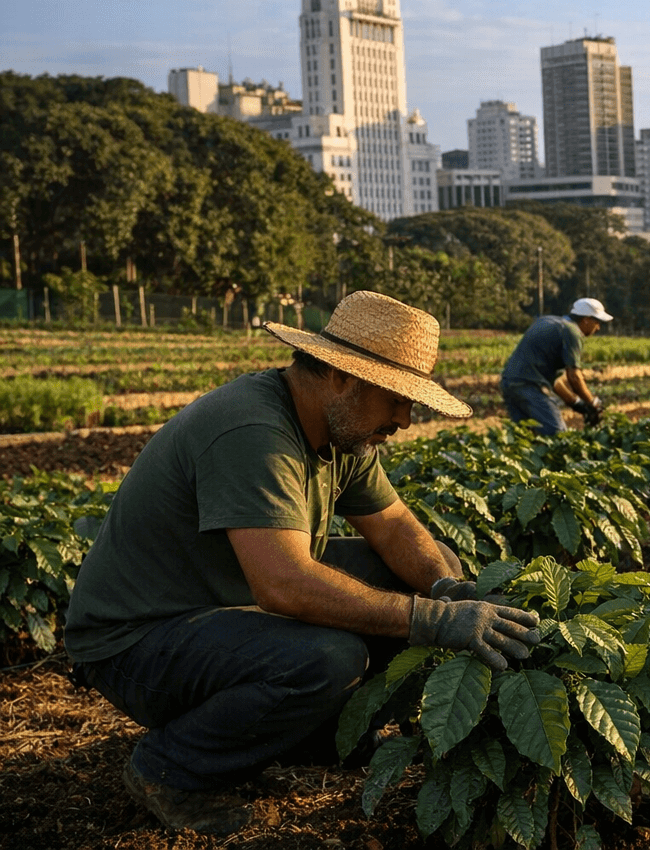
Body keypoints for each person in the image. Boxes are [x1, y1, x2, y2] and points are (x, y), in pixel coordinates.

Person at [63, 291, 541, 836]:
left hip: (218, 605)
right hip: (137, 640)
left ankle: (323, 733)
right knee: (327, 659)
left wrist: (450, 590)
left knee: (418, 572)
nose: (406, 419)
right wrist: (432, 620)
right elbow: (283, 585)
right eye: (396, 399)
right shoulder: (254, 431)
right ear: (341, 378)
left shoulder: (343, 431)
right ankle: (170, 770)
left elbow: (392, 526)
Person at [500, 296, 613, 434]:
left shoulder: (549, 321)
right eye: (597, 322)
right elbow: (574, 377)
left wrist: (577, 403)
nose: (598, 327)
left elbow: (556, 381)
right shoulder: (572, 331)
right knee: (557, 435)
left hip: (509, 383)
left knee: (525, 436)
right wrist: (592, 403)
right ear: (586, 319)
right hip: (530, 385)